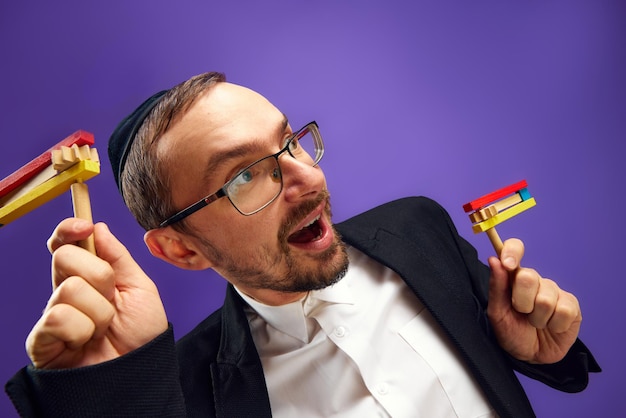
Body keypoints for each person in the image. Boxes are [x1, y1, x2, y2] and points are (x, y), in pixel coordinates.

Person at [6, 71, 600, 417]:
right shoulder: (181, 393)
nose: (308, 178)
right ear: (181, 249)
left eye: (289, 142)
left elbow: (523, 364)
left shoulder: (419, 229)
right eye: (243, 175)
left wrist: (539, 355)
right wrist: (98, 395)